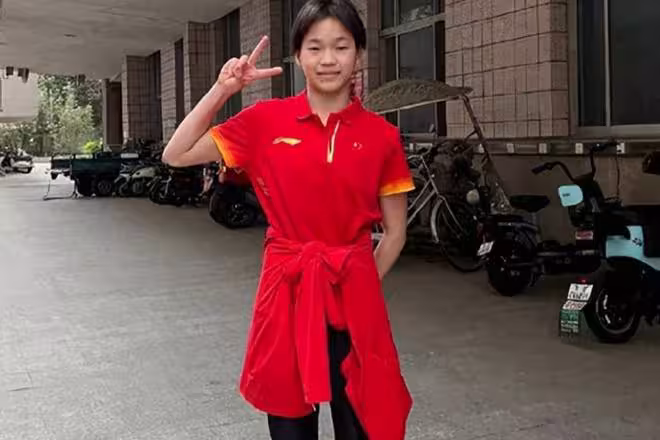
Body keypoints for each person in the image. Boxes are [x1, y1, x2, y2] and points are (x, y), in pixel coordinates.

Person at [161, 0, 415, 438]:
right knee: (289, 425)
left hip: (355, 298)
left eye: (341, 46)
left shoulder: (382, 136)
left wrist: (359, 282)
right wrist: (222, 89)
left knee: (363, 420)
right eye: (315, 47)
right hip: (287, 294)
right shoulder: (264, 121)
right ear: (298, 55)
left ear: (359, 54)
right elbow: (176, 154)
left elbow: (395, 233)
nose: (328, 59)